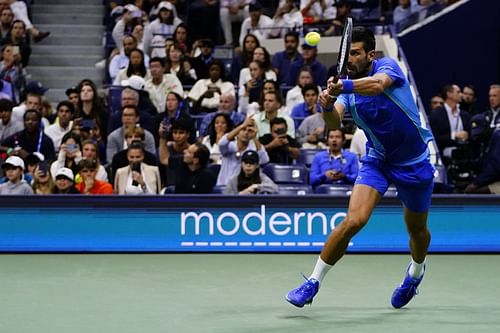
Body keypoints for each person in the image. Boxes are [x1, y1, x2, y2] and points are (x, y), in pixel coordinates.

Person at [286, 26, 435, 309]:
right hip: (378, 161)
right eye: (348, 54)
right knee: (354, 221)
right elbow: (332, 123)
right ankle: (312, 283)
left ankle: (415, 273)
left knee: (416, 230)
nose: (350, 59)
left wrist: (343, 86)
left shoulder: (388, 67)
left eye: (355, 54)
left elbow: (378, 85)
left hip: (414, 163)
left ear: (370, 54)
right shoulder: (347, 92)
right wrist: (326, 105)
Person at [428, 84, 471, 161]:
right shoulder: (436, 115)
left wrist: (467, 135)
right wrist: (454, 135)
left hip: (464, 156)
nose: (461, 94)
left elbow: (470, 134)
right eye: (458, 92)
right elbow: (434, 137)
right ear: (449, 94)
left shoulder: (465, 115)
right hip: (443, 157)